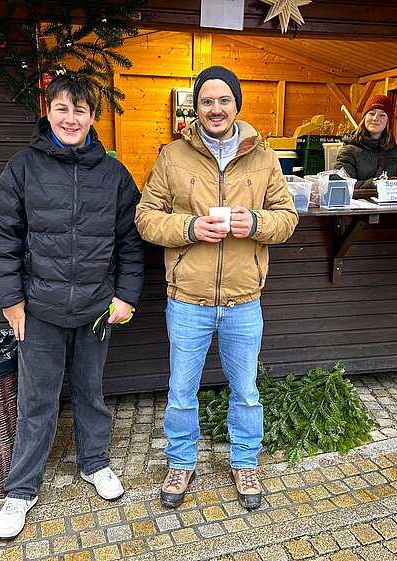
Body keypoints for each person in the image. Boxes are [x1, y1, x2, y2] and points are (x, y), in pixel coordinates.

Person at [0, 75, 146, 540]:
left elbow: (130, 243)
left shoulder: (114, 175)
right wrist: (11, 300)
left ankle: (95, 463)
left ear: (93, 117)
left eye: (80, 110)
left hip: (96, 308)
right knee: (36, 401)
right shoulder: (22, 167)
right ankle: (21, 489)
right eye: (62, 109)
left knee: (91, 392)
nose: (70, 118)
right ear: (48, 112)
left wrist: (125, 296)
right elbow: (1, 238)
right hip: (39, 310)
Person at [135, 66, 298, 511]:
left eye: (224, 99)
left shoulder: (263, 158)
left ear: (236, 105)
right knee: (181, 391)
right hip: (187, 299)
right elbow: (145, 217)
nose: (216, 108)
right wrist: (189, 227)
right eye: (207, 101)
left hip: (244, 300)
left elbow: (287, 218)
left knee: (245, 390)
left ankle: (245, 461)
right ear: (196, 108)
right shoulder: (172, 156)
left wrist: (256, 222)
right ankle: (181, 461)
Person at [333, 94, 397, 189]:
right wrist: (374, 183)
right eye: (371, 113)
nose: (375, 118)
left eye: (382, 115)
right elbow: (342, 186)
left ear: (388, 121)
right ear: (364, 117)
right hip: (358, 203)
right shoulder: (348, 151)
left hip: (387, 203)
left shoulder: (395, 151)